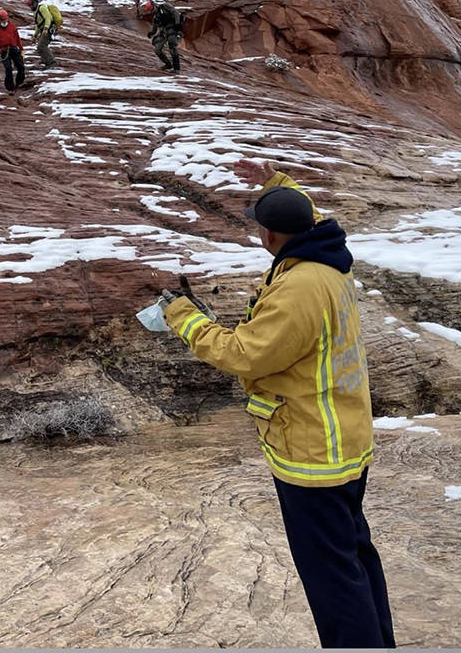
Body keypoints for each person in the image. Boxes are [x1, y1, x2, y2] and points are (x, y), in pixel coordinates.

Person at [158, 160, 395, 649]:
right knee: (352, 555)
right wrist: (276, 183)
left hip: (312, 454)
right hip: (343, 439)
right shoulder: (327, 259)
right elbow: (301, 208)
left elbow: (246, 354)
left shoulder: (299, 287)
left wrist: (184, 318)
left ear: (270, 235)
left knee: (330, 577)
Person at [140, 0, 184, 73]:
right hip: (163, 33)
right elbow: (155, 28)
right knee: (157, 49)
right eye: (150, 9)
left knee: (172, 47)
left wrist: (178, 25)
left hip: (173, 29)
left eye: (151, 8)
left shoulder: (165, 6)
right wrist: (151, 33)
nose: (151, 10)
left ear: (154, 5)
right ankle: (168, 64)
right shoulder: (155, 17)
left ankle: (177, 69)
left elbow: (176, 13)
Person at [0, 8, 25, 93]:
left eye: (6, 19)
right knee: (8, 69)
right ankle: (10, 88)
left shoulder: (12, 27)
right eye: (3, 19)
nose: (5, 21)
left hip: (14, 49)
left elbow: (17, 39)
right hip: (4, 51)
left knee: (21, 67)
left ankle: (19, 83)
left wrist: (22, 50)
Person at [26, 0, 63, 69]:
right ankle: (47, 62)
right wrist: (35, 36)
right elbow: (38, 25)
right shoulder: (37, 12)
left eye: (31, 5)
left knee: (41, 46)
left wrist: (46, 28)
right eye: (29, 6)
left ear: (35, 3)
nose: (31, 7)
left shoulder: (42, 8)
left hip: (49, 29)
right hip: (44, 30)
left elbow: (48, 18)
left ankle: (52, 63)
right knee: (40, 47)